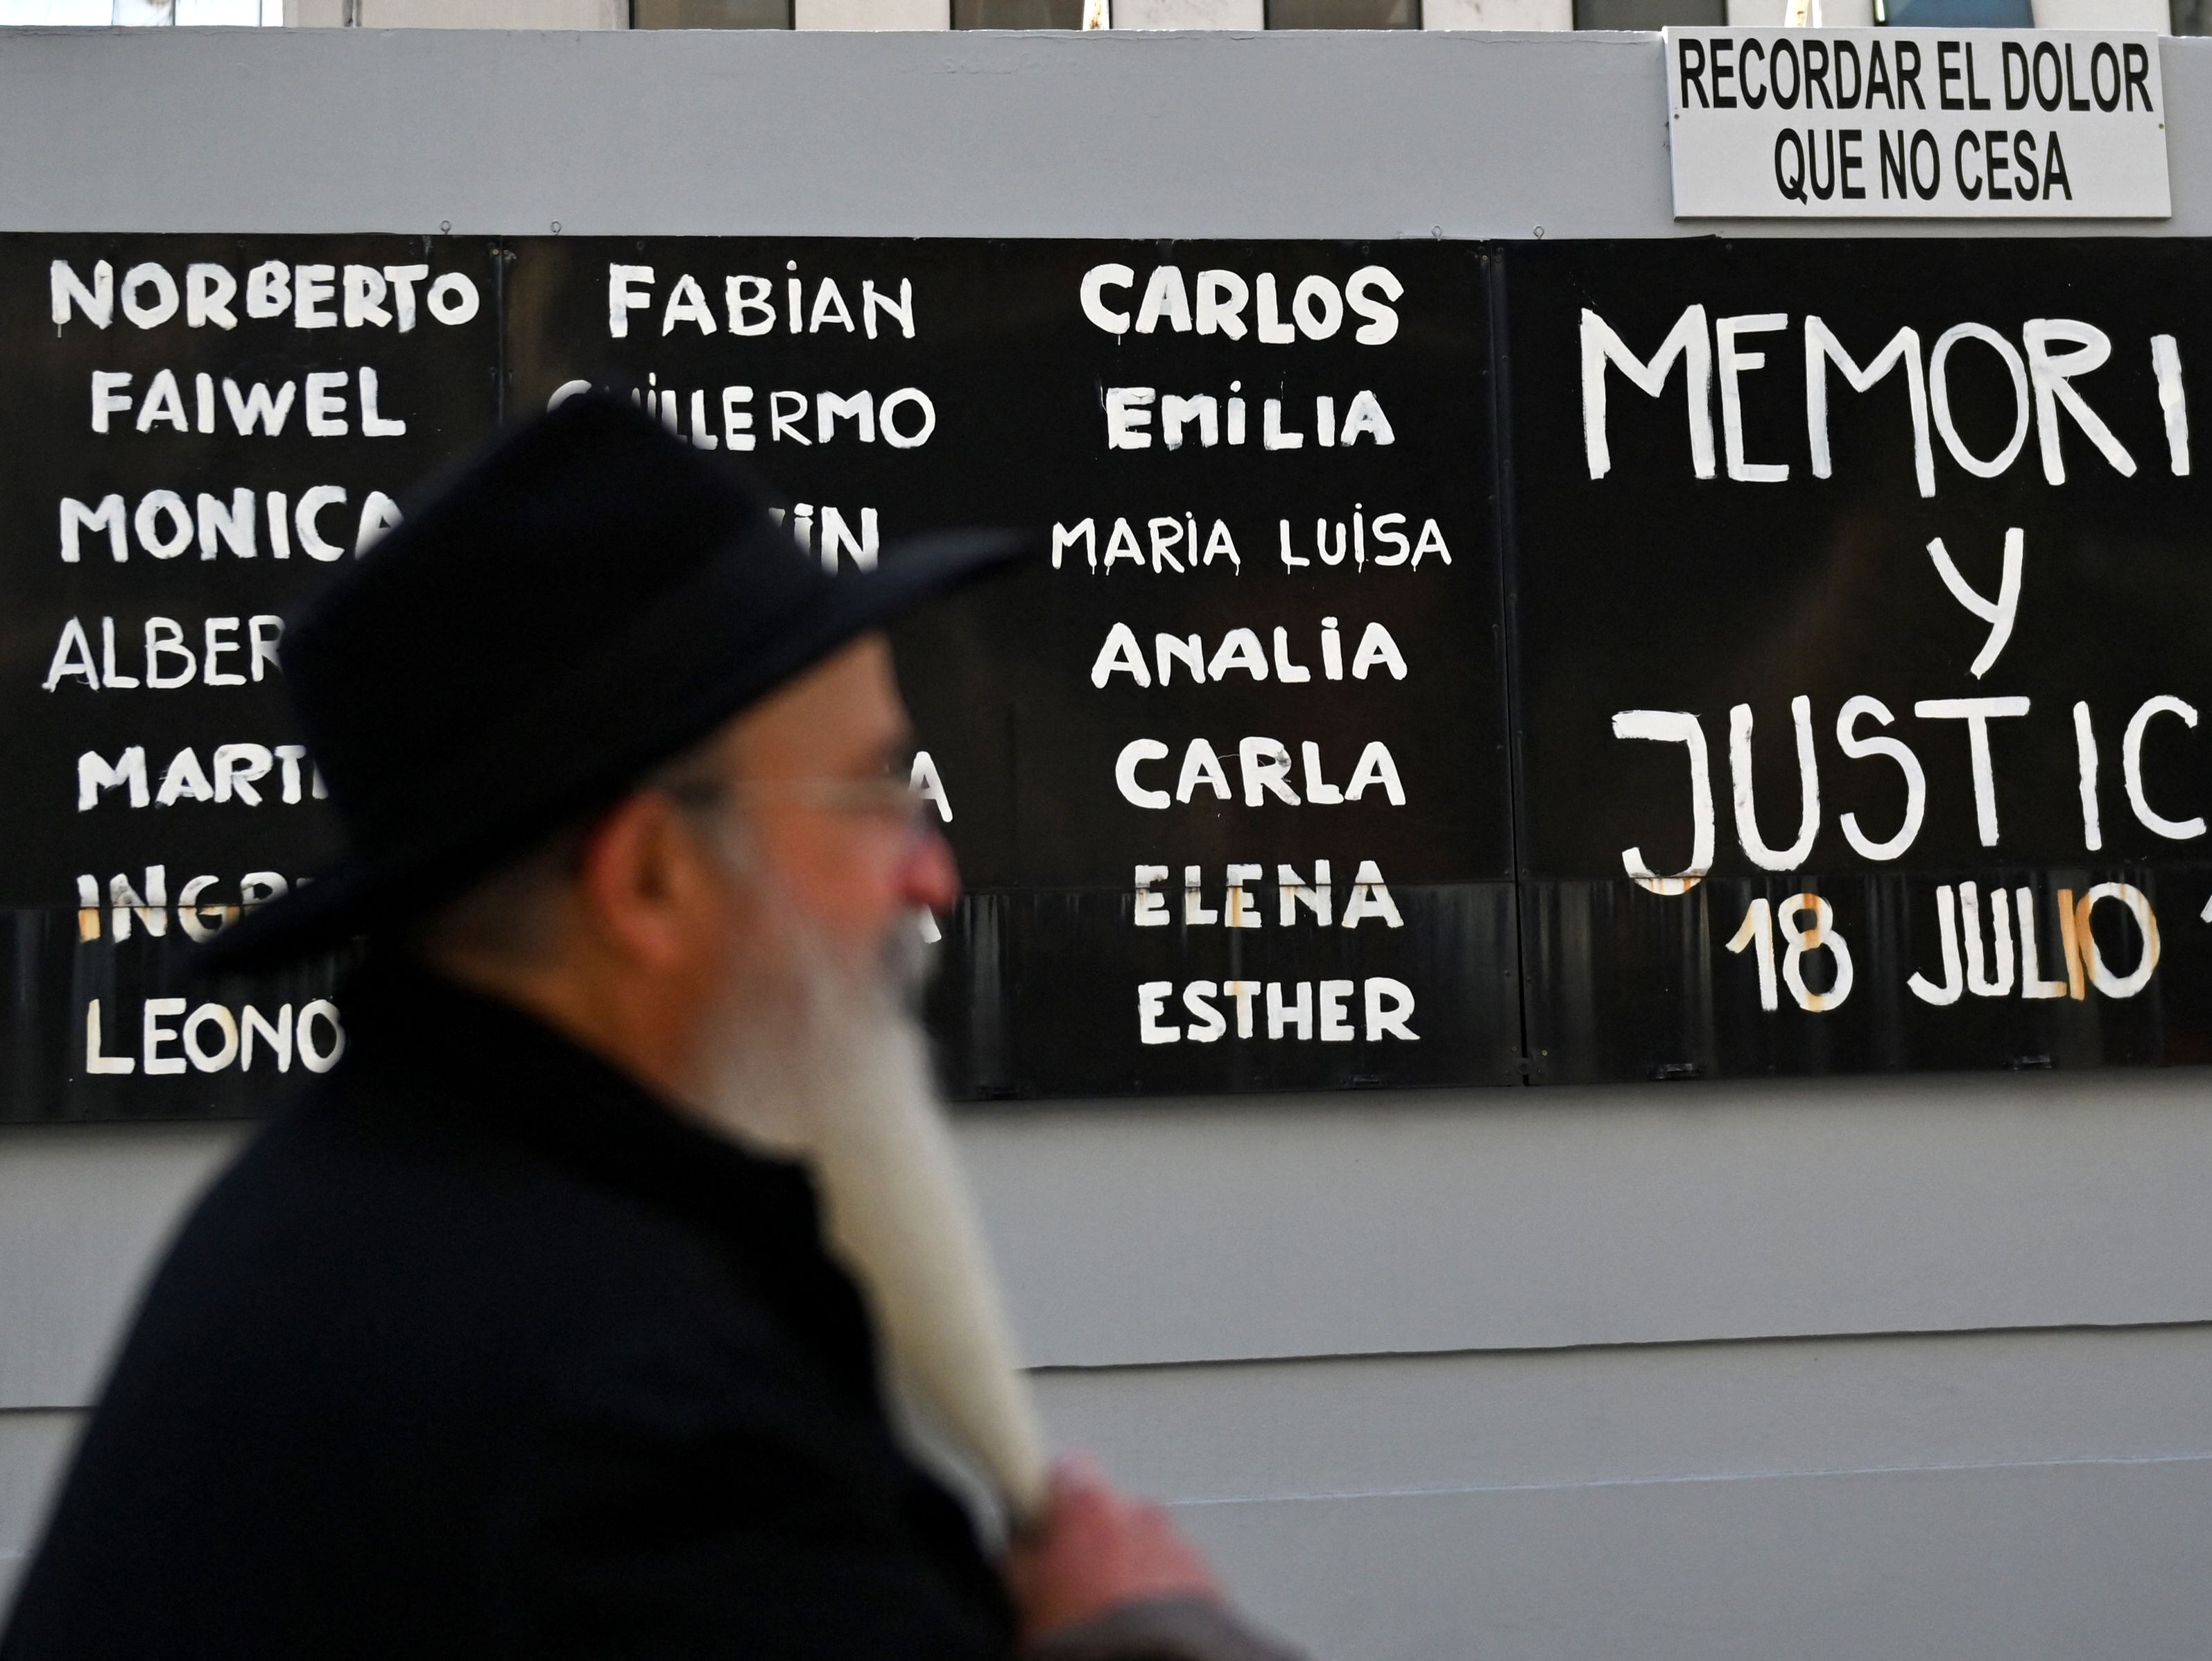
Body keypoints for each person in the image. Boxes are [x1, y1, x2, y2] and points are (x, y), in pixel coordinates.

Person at [0, 395, 1299, 1661]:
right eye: (873, 795)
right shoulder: (643, 1427)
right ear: (649, 881)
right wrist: (1137, 1635)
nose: (933, 873)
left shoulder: (339, 1216)